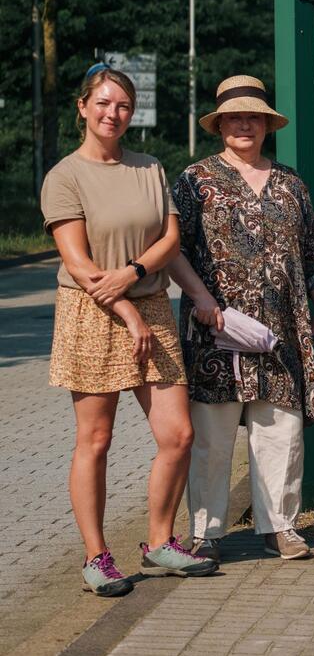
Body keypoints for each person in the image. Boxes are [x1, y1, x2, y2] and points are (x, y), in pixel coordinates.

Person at [41, 64, 218, 596]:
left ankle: (161, 542)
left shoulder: (148, 167)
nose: (112, 113)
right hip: (92, 314)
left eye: (121, 106)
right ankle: (97, 557)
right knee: (96, 439)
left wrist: (140, 277)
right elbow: (79, 263)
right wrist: (129, 310)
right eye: (103, 103)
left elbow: (168, 240)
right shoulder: (64, 176)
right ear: (83, 107)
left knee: (178, 434)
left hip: (149, 307)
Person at [168, 76, 314, 563]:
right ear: (220, 125)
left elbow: (313, 254)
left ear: (266, 124)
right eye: (234, 117)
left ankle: (280, 526)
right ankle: (206, 532)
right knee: (213, 433)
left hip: (283, 327)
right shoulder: (195, 180)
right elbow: (172, 248)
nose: (244, 125)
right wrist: (200, 298)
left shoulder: (290, 183)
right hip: (215, 326)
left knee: (280, 430)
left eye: (253, 117)